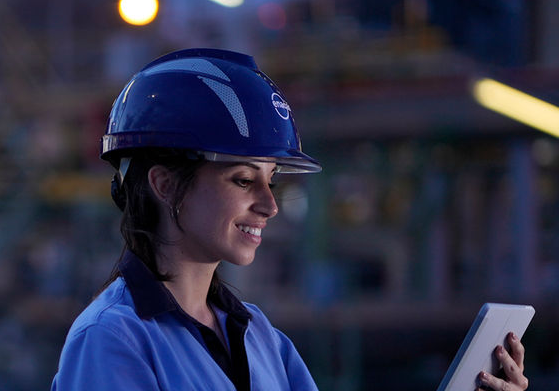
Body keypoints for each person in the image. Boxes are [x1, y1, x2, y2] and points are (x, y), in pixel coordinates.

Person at [51, 48, 528, 391]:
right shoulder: (113, 339)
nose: (269, 204)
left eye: (272, 180)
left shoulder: (259, 337)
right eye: (243, 180)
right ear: (165, 184)